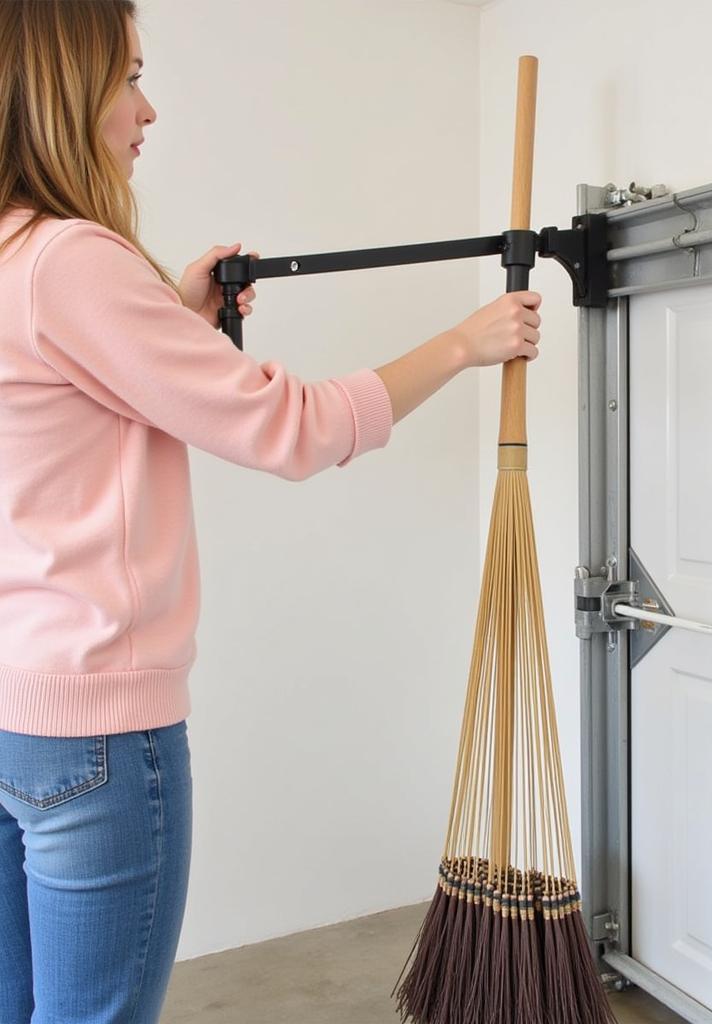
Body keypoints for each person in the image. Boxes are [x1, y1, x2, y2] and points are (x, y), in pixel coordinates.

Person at [0, 2, 542, 1021]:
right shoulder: (75, 261)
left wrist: (170, 315)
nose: (147, 108)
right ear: (61, 94)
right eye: (127, 80)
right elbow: (293, 429)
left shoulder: (16, 258)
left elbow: (69, 405)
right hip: (97, 734)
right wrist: (465, 342)